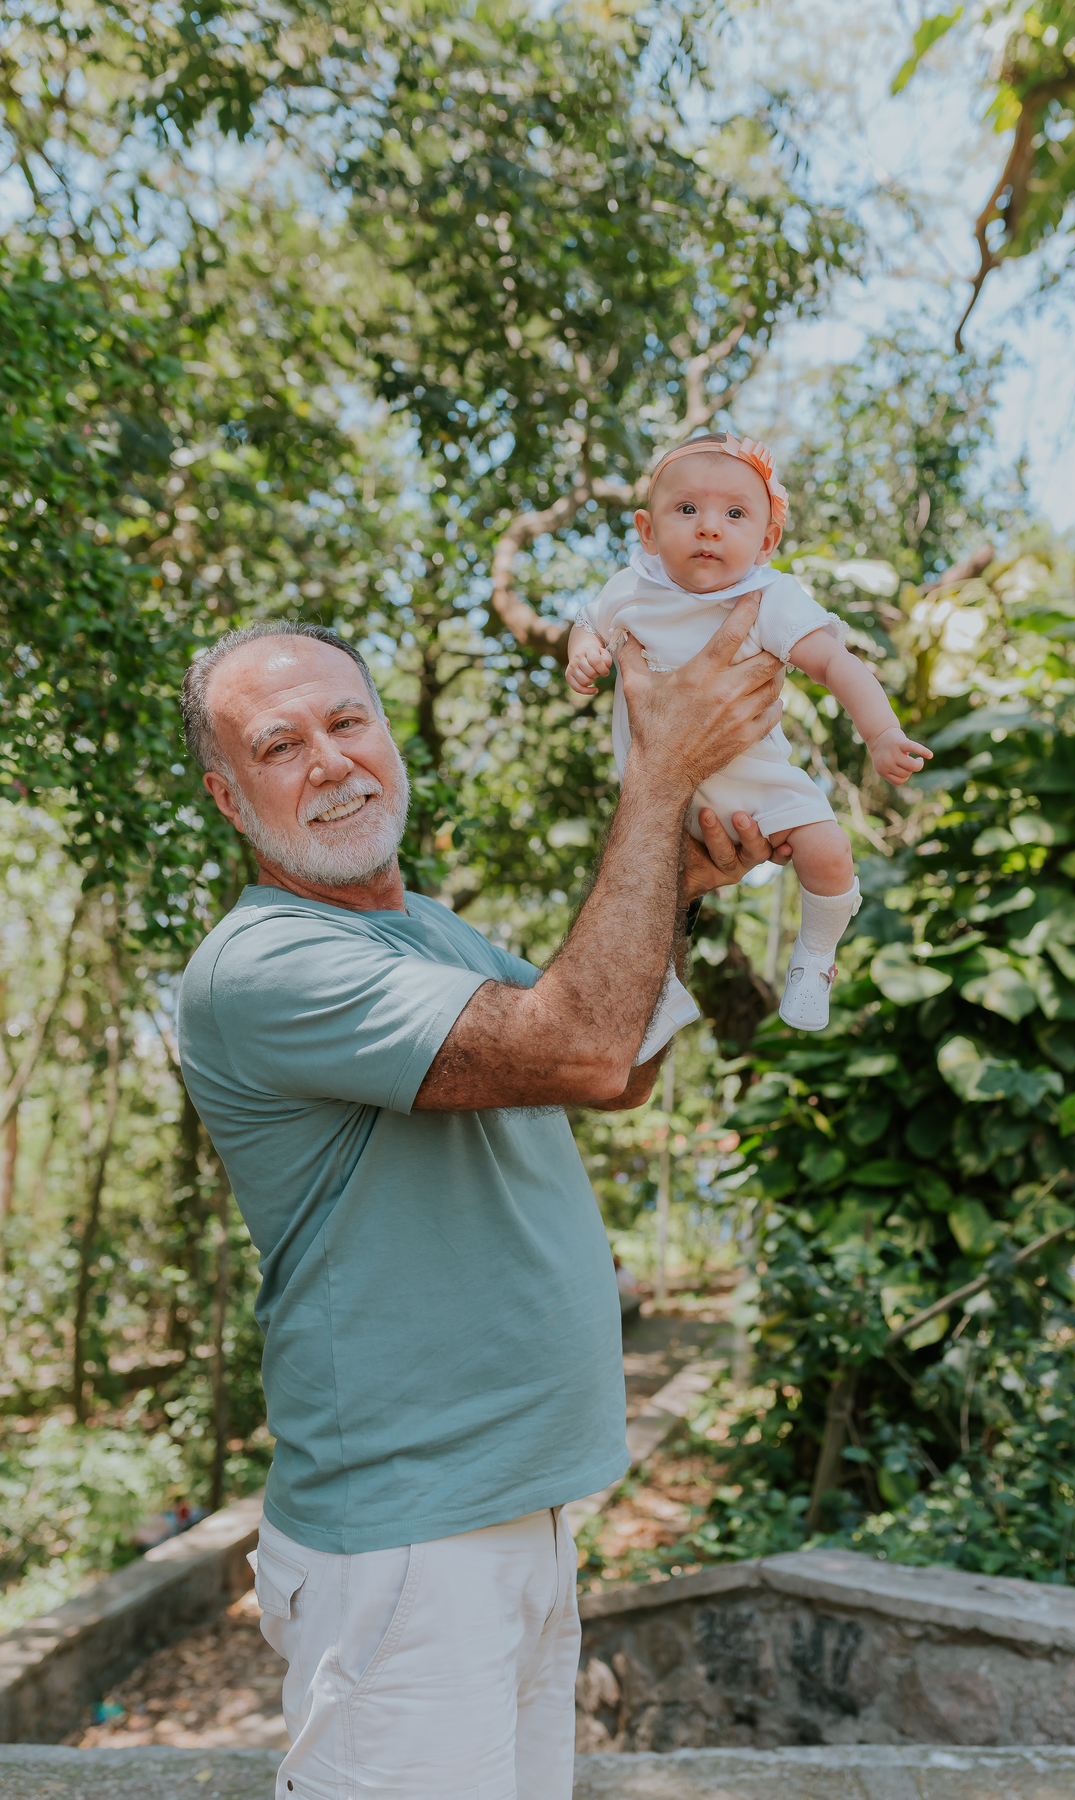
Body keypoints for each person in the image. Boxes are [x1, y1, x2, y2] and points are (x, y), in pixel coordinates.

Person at [175, 608, 789, 1800]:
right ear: (227, 795)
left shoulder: (427, 933)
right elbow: (580, 1047)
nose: (332, 762)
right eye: (280, 745)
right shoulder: (262, 967)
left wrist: (680, 889)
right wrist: (658, 776)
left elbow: (620, 1070)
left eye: (347, 721)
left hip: (519, 1520)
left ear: (386, 733)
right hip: (407, 1547)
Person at [566, 432, 933, 1032]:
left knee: (830, 852)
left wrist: (883, 733)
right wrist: (581, 654)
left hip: (759, 784)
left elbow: (836, 663)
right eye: (687, 510)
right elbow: (586, 623)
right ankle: (650, 1007)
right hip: (658, 796)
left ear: (766, 541)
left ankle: (814, 960)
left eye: (734, 514)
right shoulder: (629, 589)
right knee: (649, 899)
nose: (709, 527)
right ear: (648, 530)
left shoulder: (769, 597)